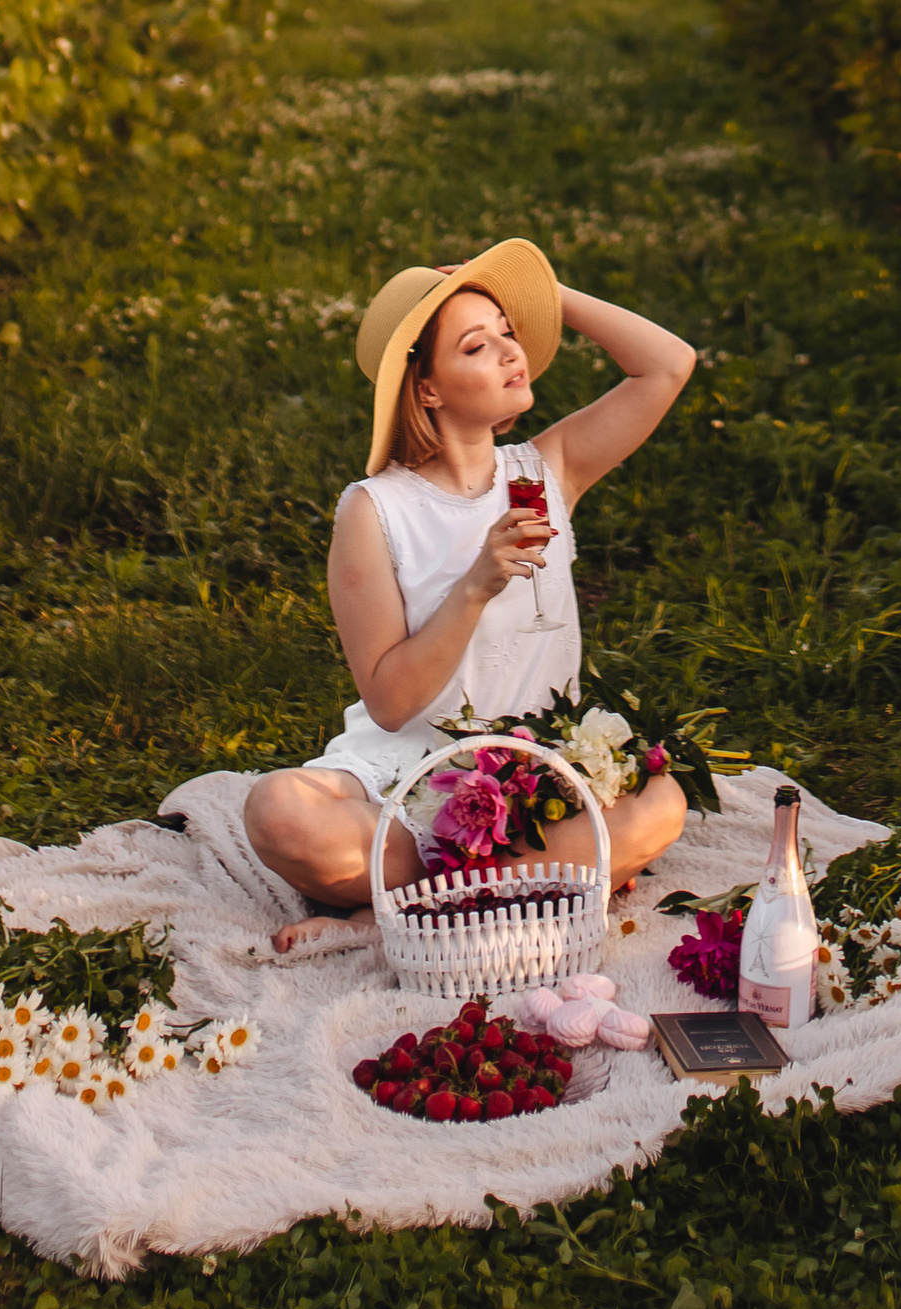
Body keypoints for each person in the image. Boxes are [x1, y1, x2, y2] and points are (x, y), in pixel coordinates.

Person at [244, 240, 697, 953]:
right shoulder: (374, 511)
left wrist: (544, 296)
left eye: (510, 333)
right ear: (427, 388)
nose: (512, 353)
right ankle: (541, 885)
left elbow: (668, 363)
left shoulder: (549, 468)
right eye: (477, 346)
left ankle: (414, 909)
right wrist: (475, 586)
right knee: (278, 813)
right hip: (408, 780)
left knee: (663, 802)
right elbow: (391, 702)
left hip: (534, 776)